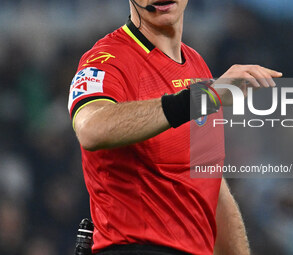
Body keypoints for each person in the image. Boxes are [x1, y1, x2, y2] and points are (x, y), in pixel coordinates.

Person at [68, 0, 282, 254]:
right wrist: (201, 98)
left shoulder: (196, 64)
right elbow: (91, 129)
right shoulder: (105, 59)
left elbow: (210, 181)